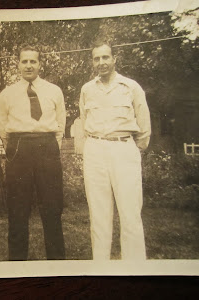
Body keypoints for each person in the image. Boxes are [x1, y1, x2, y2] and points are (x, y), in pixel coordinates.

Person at [79, 41, 151, 260]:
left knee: (130, 212)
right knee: (99, 214)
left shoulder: (131, 87)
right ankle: (101, 267)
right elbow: (84, 121)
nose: (101, 62)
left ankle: (135, 269)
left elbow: (144, 126)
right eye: (96, 58)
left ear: (114, 59)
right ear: (92, 62)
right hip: (95, 149)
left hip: (123, 149)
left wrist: (131, 149)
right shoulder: (87, 89)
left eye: (105, 57)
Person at [0, 45, 66, 260]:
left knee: (52, 208)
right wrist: (16, 146)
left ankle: (57, 266)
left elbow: (61, 124)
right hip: (19, 148)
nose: (29, 65)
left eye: (33, 61)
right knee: (18, 211)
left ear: (40, 64)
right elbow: (3, 127)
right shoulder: (7, 94)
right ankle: (17, 266)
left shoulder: (54, 90)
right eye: (24, 61)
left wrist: (51, 146)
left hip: (47, 147)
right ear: (18, 64)